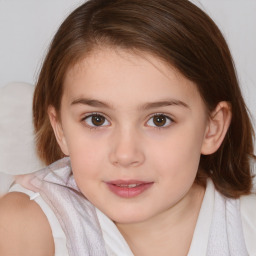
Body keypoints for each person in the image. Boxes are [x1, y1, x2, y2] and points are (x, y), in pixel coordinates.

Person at [0, 0, 255, 255]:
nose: (125, 155)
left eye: (159, 120)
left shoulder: (247, 222)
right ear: (61, 129)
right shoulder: (25, 225)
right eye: (96, 119)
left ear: (212, 127)